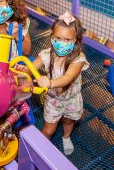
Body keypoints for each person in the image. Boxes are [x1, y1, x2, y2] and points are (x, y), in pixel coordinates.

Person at [20, 11, 89, 155]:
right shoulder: (46, 54)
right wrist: (25, 69)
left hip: (72, 99)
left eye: (67, 40)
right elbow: (32, 67)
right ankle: (38, 149)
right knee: (49, 128)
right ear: (52, 37)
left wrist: (49, 82)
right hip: (53, 100)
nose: (62, 43)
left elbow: (68, 77)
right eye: (58, 38)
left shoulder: (78, 59)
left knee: (69, 121)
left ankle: (66, 137)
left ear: (75, 41)